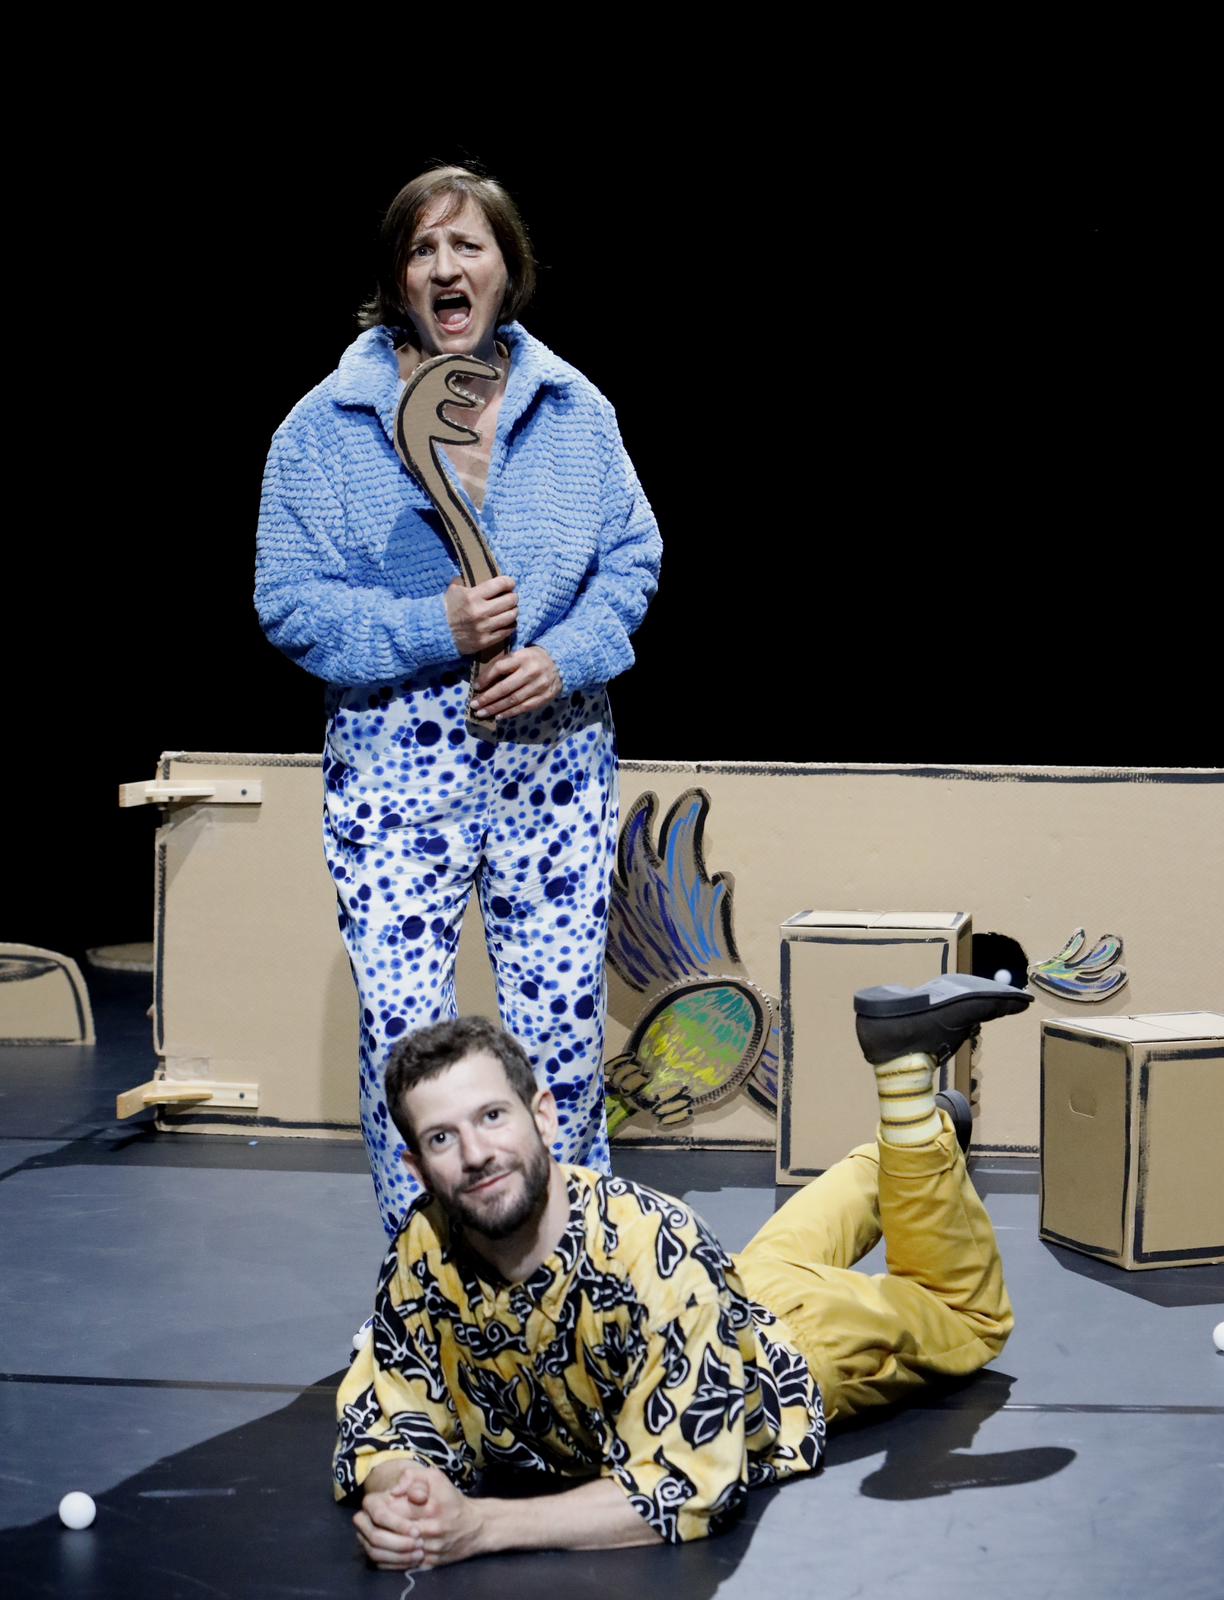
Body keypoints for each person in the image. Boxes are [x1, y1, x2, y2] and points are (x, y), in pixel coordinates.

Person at [255, 166, 661, 1236]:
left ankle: (572, 1271)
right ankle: (425, 1282)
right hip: (398, 764)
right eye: (423, 248)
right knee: (406, 1035)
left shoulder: (573, 410)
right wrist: (435, 626)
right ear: (398, 277)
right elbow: (288, 601)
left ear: (505, 267)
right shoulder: (327, 426)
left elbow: (631, 559)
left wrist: (565, 657)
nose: (446, 266)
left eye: (468, 245)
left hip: (552, 759)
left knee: (560, 1034)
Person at [333, 975, 1032, 1569]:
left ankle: (908, 1091)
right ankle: (916, 1146)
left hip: (797, 1343)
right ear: (416, 1167)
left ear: (543, 1117)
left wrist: (479, 1527)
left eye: (492, 1116)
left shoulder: (655, 1249)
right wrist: (404, 1494)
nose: (476, 1153)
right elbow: (387, 1411)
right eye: (443, 1137)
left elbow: (689, 1484)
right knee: (764, 1262)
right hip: (723, 1288)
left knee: (966, 1317)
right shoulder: (425, 1244)